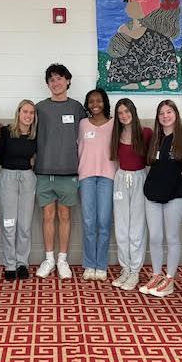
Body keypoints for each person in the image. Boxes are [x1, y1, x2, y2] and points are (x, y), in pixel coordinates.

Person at [34, 64, 87, 279]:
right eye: (52, 80)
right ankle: (49, 259)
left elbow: (86, 137)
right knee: (47, 216)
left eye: (59, 78)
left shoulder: (77, 108)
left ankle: (62, 260)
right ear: (48, 84)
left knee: (65, 216)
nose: (56, 83)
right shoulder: (39, 108)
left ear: (68, 81)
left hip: (69, 172)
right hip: (44, 171)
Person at [141, 100, 182, 298]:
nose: (165, 116)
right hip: (152, 193)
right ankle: (156, 274)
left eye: (169, 112)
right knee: (155, 236)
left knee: (172, 237)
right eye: (161, 113)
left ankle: (169, 278)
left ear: (176, 114)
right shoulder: (155, 138)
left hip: (174, 195)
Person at [109, 98, 152, 290]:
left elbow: (157, 156)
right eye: (120, 113)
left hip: (139, 179)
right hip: (120, 179)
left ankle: (135, 271)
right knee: (121, 227)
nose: (124, 115)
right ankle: (125, 268)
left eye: (126, 111)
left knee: (136, 228)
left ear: (133, 112)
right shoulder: (116, 134)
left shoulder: (146, 133)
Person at [78, 88, 116, 281]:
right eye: (91, 101)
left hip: (107, 177)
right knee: (88, 222)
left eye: (98, 100)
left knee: (104, 222)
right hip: (86, 177)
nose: (95, 104)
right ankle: (89, 264)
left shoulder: (114, 123)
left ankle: (101, 265)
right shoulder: (82, 124)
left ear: (105, 102)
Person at [0, 99, 37, 281]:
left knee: (24, 225)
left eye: (31, 112)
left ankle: (22, 263)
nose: (28, 115)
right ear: (18, 113)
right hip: (8, 178)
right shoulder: (6, 132)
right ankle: (10, 264)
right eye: (25, 111)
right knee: (9, 223)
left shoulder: (35, 135)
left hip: (28, 179)